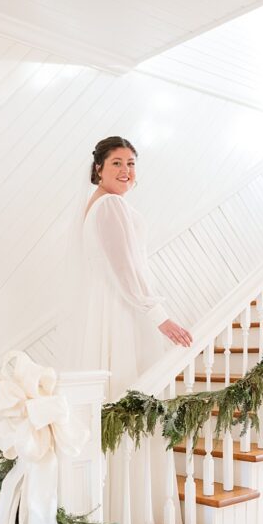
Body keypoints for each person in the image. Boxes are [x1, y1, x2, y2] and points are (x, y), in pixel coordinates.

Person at [65, 136, 192, 398]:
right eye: (117, 163)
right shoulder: (111, 204)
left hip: (106, 303)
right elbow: (124, 267)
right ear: (98, 168)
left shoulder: (97, 202)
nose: (126, 171)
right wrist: (159, 316)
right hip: (120, 306)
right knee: (128, 384)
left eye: (131, 163)